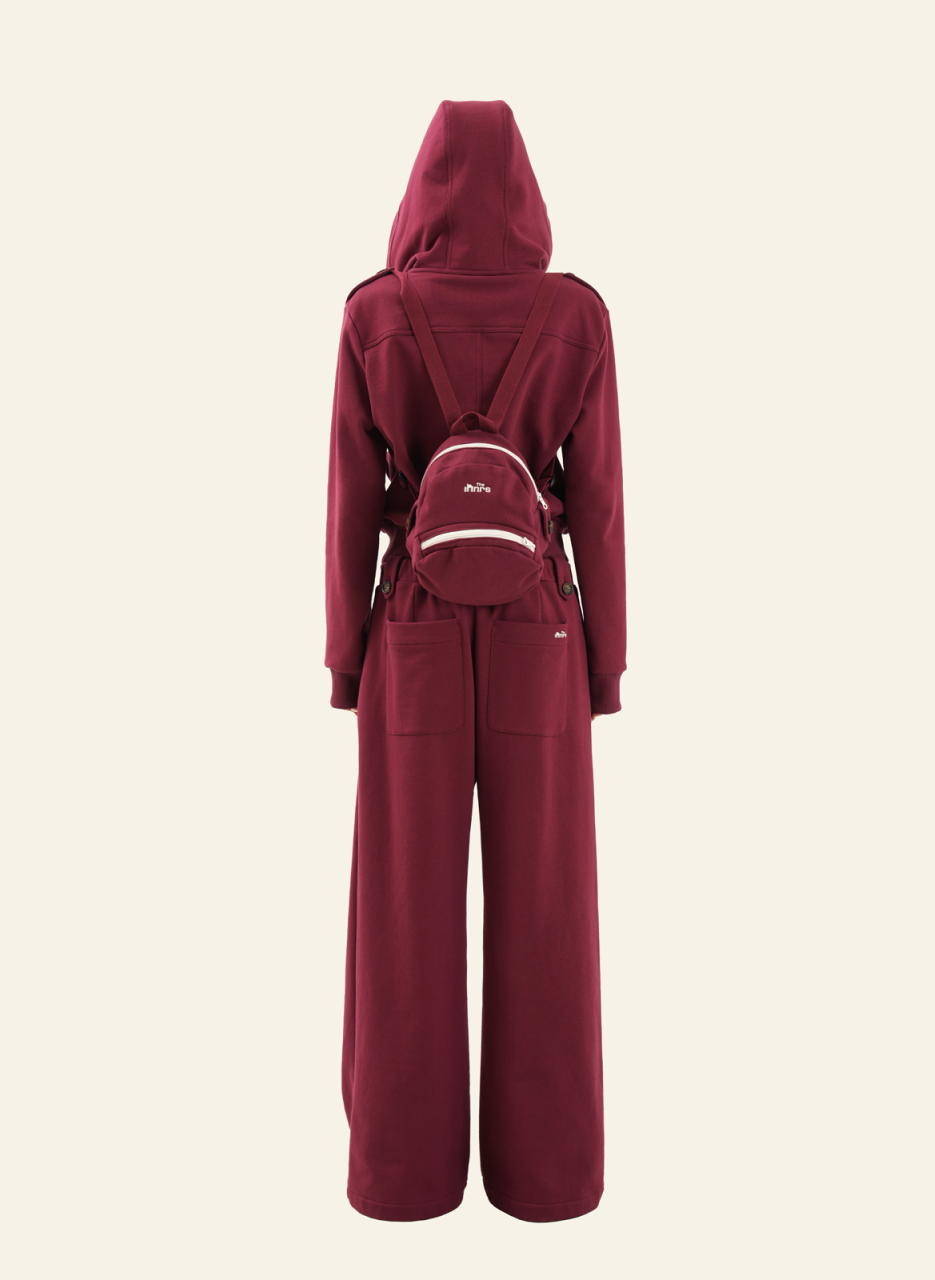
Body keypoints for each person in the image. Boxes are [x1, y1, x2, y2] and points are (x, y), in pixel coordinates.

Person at [324, 99, 626, 1223]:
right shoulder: (576, 315)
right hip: (543, 633)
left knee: (403, 907)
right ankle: (549, 1182)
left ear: (422, 186)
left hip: (409, 632)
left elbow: (349, 504)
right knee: (550, 904)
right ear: (527, 190)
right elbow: (600, 504)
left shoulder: (374, 313)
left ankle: (400, 1181)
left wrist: (345, 658)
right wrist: (605, 664)